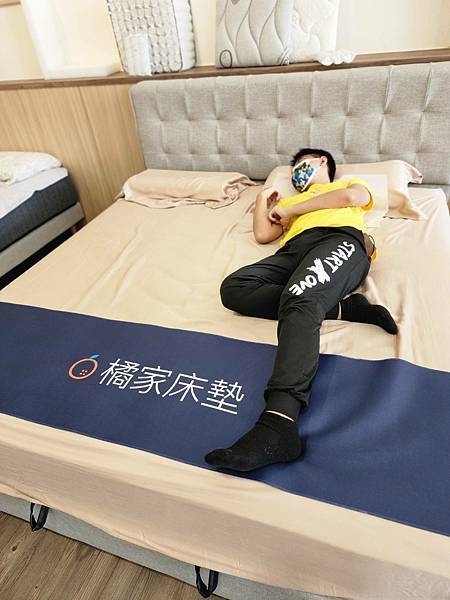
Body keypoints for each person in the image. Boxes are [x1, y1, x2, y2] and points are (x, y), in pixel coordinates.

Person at [204, 147, 398, 473]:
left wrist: (291, 207)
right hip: (292, 252)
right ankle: (344, 308)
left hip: (339, 240)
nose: (296, 172)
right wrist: (264, 198)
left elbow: (350, 198)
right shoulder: (289, 208)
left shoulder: (347, 185)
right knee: (234, 288)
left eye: (302, 164)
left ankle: (279, 423)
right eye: (293, 169)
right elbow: (263, 234)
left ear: (322, 162)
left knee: (299, 298)